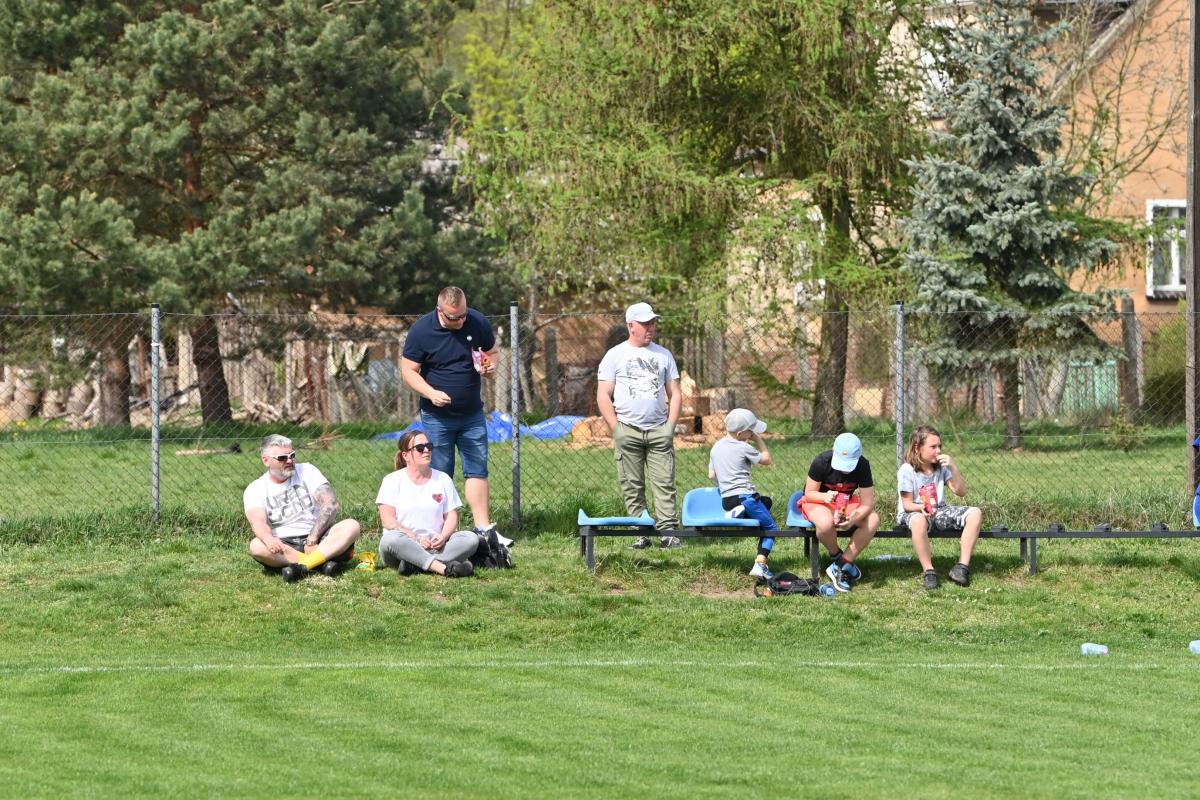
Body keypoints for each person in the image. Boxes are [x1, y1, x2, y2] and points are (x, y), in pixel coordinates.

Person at [401, 286, 503, 543]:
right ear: (439, 311)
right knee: (439, 473)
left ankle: (483, 529)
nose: (460, 321)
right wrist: (430, 393)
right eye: (453, 317)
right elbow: (408, 370)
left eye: (463, 315)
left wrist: (490, 366)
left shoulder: (477, 322)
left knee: (477, 469)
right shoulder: (421, 331)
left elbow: (492, 352)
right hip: (437, 417)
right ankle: (441, 531)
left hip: (472, 414)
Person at [596, 302, 682, 549]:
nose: (651, 327)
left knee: (664, 483)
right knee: (632, 486)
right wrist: (616, 428)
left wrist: (669, 427)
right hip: (628, 430)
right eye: (645, 323)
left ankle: (668, 533)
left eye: (653, 322)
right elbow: (603, 394)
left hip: (659, 430)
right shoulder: (615, 355)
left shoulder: (663, 355)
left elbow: (675, 393)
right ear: (631, 325)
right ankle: (641, 533)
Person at [244, 434, 363, 583]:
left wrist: (312, 540)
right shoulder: (255, 489)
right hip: (285, 545)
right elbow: (258, 523)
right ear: (266, 460)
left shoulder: (307, 470)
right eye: (282, 458)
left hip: (319, 537)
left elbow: (330, 505)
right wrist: (269, 539)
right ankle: (320, 563)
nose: (289, 461)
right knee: (256, 546)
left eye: (292, 455)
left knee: (351, 526)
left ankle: (301, 568)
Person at [376, 430, 478, 578]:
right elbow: (388, 521)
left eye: (428, 446)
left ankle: (414, 565)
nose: (426, 450)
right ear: (405, 455)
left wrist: (443, 536)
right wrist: (415, 538)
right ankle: (444, 569)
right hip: (403, 547)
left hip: (436, 547)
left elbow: (452, 515)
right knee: (390, 539)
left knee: (470, 538)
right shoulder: (391, 480)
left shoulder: (443, 479)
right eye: (419, 448)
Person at [897, 425, 982, 589]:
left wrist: (953, 467)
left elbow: (961, 492)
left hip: (938, 511)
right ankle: (929, 571)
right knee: (918, 521)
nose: (938, 451)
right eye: (933, 447)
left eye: (939, 446)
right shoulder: (907, 470)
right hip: (913, 512)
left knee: (975, 513)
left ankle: (961, 568)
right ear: (917, 448)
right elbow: (907, 504)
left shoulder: (941, 467)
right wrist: (921, 508)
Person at [799, 432, 881, 592]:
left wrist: (852, 519)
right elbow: (809, 494)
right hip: (817, 501)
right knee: (825, 523)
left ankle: (842, 564)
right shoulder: (822, 461)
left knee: (873, 519)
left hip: (846, 504)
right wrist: (825, 496)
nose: (845, 470)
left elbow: (867, 503)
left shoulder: (863, 465)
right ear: (833, 451)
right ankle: (837, 555)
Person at [708, 408, 778, 580]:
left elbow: (711, 475)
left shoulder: (716, 448)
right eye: (750, 431)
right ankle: (760, 564)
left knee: (766, 502)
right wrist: (758, 439)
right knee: (771, 528)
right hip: (746, 497)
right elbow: (767, 459)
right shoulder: (743, 447)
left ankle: (738, 512)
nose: (752, 433)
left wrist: (726, 485)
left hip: (727, 500)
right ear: (740, 433)